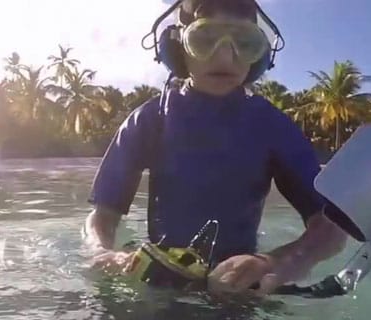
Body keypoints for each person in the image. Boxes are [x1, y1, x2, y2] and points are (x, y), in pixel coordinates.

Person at [83, 0, 347, 297]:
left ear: (259, 57)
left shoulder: (273, 126)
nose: (225, 56)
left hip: (239, 295)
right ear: (178, 46)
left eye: (245, 42)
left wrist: (275, 263)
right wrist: (104, 253)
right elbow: (102, 218)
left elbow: (330, 229)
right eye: (204, 39)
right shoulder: (150, 119)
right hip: (157, 285)